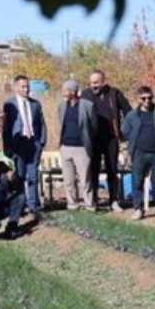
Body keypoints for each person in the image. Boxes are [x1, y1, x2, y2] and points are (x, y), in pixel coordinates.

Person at [120, 85, 155, 220]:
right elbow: (125, 131)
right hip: (139, 153)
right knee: (136, 182)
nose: (147, 101)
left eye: (149, 98)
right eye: (143, 98)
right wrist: (133, 142)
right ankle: (138, 209)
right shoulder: (132, 116)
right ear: (138, 99)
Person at [82, 70, 132, 210]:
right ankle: (94, 200)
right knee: (93, 170)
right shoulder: (86, 95)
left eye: (96, 83)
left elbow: (129, 111)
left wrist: (125, 133)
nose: (93, 86)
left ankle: (114, 200)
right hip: (93, 139)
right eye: (91, 83)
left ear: (104, 82)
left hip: (111, 138)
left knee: (112, 169)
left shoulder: (114, 93)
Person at [2, 75, 46, 219]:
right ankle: (20, 207)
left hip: (33, 144)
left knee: (33, 177)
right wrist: (7, 148)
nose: (26, 89)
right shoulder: (9, 105)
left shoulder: (35, 104)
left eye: (27, 86)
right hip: (17, 145)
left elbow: (42, 125)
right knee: (19, 178)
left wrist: (41, 143)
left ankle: (33, 207)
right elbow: (6, 129)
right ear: (15, 87)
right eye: (22, 86)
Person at [58, 79, 98, 211]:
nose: (63, 92)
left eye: (65, 90)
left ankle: (89, 204)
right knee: (69, 180)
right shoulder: (62, 106)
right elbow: (61, 124)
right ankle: (72, 204)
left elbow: (94, 127)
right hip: (65, 147)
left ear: (73, 91)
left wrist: (89, 144)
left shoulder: (87, 105)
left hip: (82, 148)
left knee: (85, 179)